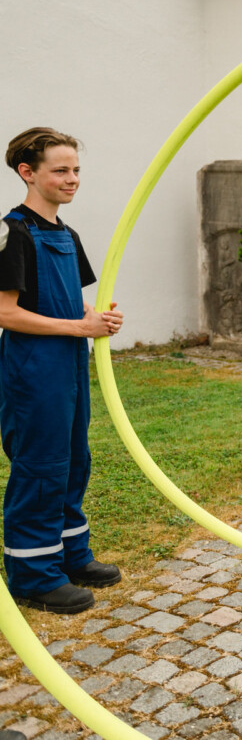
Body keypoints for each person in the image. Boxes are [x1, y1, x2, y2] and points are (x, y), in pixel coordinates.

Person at [0, 127, 124, 614]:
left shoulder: (66, 233)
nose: (73, 179)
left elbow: (75, 301)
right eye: (61, 170)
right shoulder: (14, 232)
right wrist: (78, 327)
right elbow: (5, 312)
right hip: (33, 371)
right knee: (40, 465)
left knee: (74, 459)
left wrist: (97, 319)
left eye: (76, 170)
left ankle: (71, 556)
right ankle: (32, 575)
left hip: (70, 364)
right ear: (28, 173)